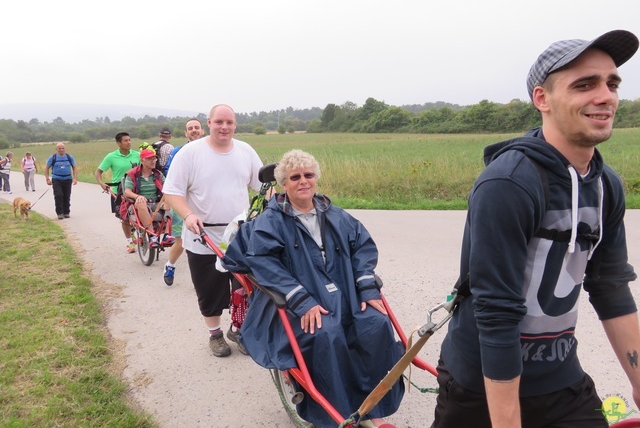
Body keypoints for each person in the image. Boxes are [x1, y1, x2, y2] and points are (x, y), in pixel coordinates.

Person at [431, 30, 640, 428]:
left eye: (611, 83)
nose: (605, 96)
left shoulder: (606, 185)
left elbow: (611, 286)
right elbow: (497, 312)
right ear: (542, 98)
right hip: (482, 387)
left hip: (561, 379)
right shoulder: (509, 183)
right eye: (584, 85)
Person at [221, 149, 404, 428]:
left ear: (316, 178)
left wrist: (367, 288)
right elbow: (264, 263)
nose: (303, 181)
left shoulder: (336, 215)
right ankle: (333, 413)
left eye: (308, 175)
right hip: (295, 299)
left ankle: (373, 407)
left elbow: (363, 248)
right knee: (325, 334)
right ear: (284, 183)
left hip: (343, 292)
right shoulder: (270, 222)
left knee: (375, 325)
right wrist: (302, 300)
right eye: (295, 177)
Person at [163, 104, 263, 357]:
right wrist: (187, 214)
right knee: (209, 289)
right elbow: (172, 191)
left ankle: (239, 329)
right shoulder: (190, 153)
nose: (224, 127)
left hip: (239, 235)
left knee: (245, 288)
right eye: (219, 122)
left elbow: (263, 187)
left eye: (229, 122)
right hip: (202, 236)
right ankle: (215, 334)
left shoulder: (245, 151)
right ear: (209, 123)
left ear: (235, 124)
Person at [162, 118, 204, 286]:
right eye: (190, 128)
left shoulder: (212, 151)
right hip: (183, 202)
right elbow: (170, 180)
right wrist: (167, 203)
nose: (194, 130)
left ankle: (205, 277)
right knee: (182, 240)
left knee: (209, 240)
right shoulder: (178, 152)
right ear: (186, 133)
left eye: (197, 127)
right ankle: (170, 265)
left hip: (204, 202)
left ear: (202, 131)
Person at [95, 132, 141, 253]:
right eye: (125, 141)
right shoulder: (111, 156)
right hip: (119, 191)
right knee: (124, 218)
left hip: (135, 190)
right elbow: (98, 172)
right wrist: (101, 183)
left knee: (138, 215)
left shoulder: (137, 155)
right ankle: (130, 243)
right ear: (119, 143)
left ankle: (135, 232)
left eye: (130, 140)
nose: (128, 142)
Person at [122, 148, 175, 248]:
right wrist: (138, 196)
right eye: (150, 158)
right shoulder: (133, 174)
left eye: (154, 158)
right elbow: (127, 192)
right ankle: (152, 236)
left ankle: (167, 235)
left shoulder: (158, 174)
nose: (154, 161)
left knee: (169, 201)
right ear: (142, 160)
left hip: (157, 203)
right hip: (138, 204)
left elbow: (166, 189)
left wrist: (167, 200)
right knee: (141, 202)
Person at [44, 143, 78, 219]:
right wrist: (47, 179)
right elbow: (46, 168)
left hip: (68, 179)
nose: (61, 150)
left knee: (67, 195)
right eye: (60, 148)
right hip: (56, 179)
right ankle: (60, 213)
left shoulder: (69, 157)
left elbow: (74, 167)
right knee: (58, 195)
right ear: (56, 149)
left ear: (65, 149)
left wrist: (75, 178)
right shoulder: (53, 157)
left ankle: (66, 212)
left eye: (63, 148)